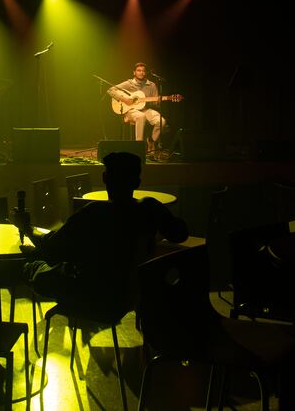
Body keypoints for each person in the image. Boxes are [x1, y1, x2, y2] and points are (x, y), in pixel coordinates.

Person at [12, 151, 188, 318]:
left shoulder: (93, 213)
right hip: (130, 297)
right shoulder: (150, 207)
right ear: (137, 182)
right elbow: (179, 234)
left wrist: (27, 228)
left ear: (105, 178)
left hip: (90, 298)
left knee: (30, 266)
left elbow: (52, 249)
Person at [107, 62, 169, 152]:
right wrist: (124, 99)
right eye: (139, 70)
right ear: (134, 72)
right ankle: (138, 146)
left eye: (143, 71)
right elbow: (110, 90)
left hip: (145, 109)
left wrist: (158, 102)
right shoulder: (129, 83)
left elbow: (155, 104)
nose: (141, 72)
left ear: (146, 72)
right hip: (130, 110)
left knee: (162, 121)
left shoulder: (152, 85)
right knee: (141, 116)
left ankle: (151, 141)